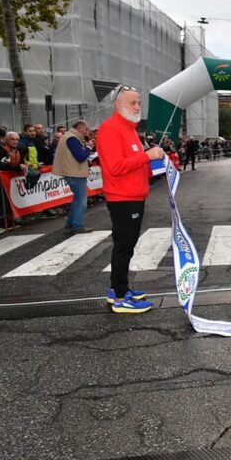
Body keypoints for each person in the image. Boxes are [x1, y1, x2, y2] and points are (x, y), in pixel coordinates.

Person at [98, 85, 165, 314]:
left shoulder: (129, 129)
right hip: (123, 197)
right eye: (132, 103)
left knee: (126, 245)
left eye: (138, 103)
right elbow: (116, 167)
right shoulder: (111, 129)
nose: (137, 106)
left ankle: (119, 288)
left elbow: (134, 162)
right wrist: (146, 156)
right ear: (118, 105)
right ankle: (119, 296)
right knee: (124, 246)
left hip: (133, 194)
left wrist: (152, 158)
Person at [52, 120, 95, 234]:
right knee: (81, 201)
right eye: (86, 129)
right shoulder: (72, 138)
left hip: (71, 172)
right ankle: (77, 225)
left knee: (77, 200)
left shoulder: (68, 136)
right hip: (75, 173)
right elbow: (80, 157)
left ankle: (71, 224)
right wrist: (89, 148)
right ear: (79, 127)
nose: (87, 131)